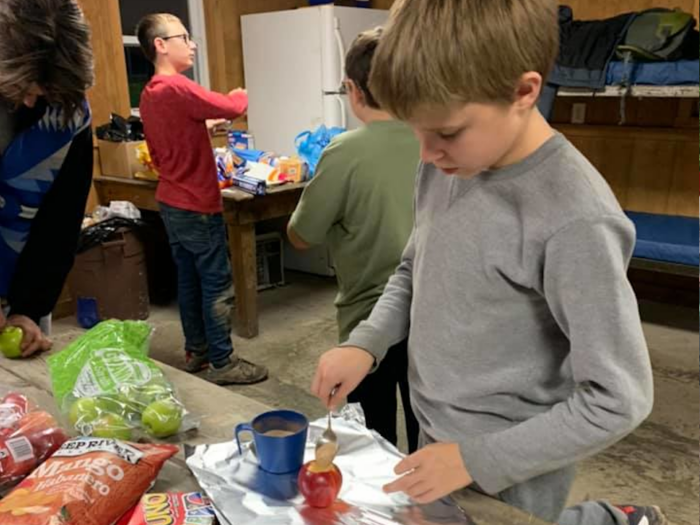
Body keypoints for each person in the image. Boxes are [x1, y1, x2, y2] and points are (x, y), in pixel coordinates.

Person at [310, 1, 664, 524]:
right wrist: (367, 341)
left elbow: (619, 398)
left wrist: (475, 458)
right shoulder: (444, 166)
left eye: (447, 132)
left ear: (524, 92)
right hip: (436, 431)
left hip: (513, 463)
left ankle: (611, 519)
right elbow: (413, 268)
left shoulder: (576, 219)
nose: (426, 153)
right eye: (416, 130)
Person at [287, 28, 420, 452]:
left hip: (368, 317)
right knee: (429, 436)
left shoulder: (344, 151)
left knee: (373, 437)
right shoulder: (438, 141)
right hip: (433, 316)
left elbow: (302, 235)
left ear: (351, 88)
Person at [137, 13, 267, 385]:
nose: (192, 44)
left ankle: (197, 353)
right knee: (216, 283)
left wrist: (202, 127)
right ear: (160, 45)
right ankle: (224, 363)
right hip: (197, 203)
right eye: (183, 37)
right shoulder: (176, 87)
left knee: (189, 280)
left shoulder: (150, 94)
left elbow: (166, 146)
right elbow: (231, 106)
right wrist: (241, 93)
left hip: (171, 201)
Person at [0, 0, 94, 357]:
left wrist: (28, 307)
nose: (31, 100)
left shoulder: (70, 114)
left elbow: (60, 223)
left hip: (21, 276)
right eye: (24, 84)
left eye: (46, 89)